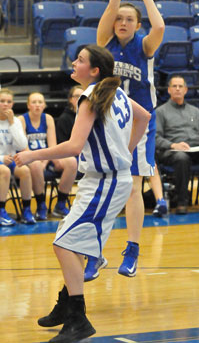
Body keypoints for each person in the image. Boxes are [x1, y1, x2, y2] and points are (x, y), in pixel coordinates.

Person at [14, 44, 151, 343]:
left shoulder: (90, 97)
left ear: (95, 70)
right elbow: (145, 118)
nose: (73, 63)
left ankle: (78, 317)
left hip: (106, 181)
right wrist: (126, 150)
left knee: (63, 245)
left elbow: (74, 147)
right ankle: (67, 303)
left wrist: (33, 155)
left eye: (80, 60)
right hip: (105, 179)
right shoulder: (117, 93)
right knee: (69, 240)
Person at [84, 0, 166, 280]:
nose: (122, 21)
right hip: (107, 123)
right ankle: (95, 252)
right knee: (102, 187)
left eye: (129, 19)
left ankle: (132, 251)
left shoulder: (144, 46)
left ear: (136, 24)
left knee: (133, 188)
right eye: (119, 18)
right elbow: (110, 7)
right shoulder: (104, 46)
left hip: (138, 125)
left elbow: (159, 27)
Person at [155, 75, 199, 214]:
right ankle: (181, 202)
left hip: (196, 149)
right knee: (182, 158)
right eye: (174, 86)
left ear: (186, 90)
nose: (177, 89)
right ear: (169, 90)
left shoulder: (195, 111)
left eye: (180, 86)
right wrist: (173, 145)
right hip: (173, 152)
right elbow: (155, 138)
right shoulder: (160, 112)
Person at [19, 92, 78, 220]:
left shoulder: (48, 118)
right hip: (30, 158)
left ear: (44, 105)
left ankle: (60, 204)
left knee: (72, 162)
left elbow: (52, 145)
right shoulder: (22, 120)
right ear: (28, 105)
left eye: (40, 102)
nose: (37, 105)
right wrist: (38, 160)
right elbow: (24, 148)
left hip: (47, 157)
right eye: (34, 102)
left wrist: (45, 161)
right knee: (35, 165)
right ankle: (41, 205)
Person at [0, 88, 35, 226]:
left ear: (12, 104)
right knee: (4, 171)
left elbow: (22, 145)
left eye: (8, 102)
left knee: (25, 171)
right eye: (2, 101)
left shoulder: (15, 121)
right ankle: (1, 211)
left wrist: (12, 124)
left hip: (11, 160)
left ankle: (26, 209)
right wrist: (1, 158)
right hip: (2, 162)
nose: (5, 104)